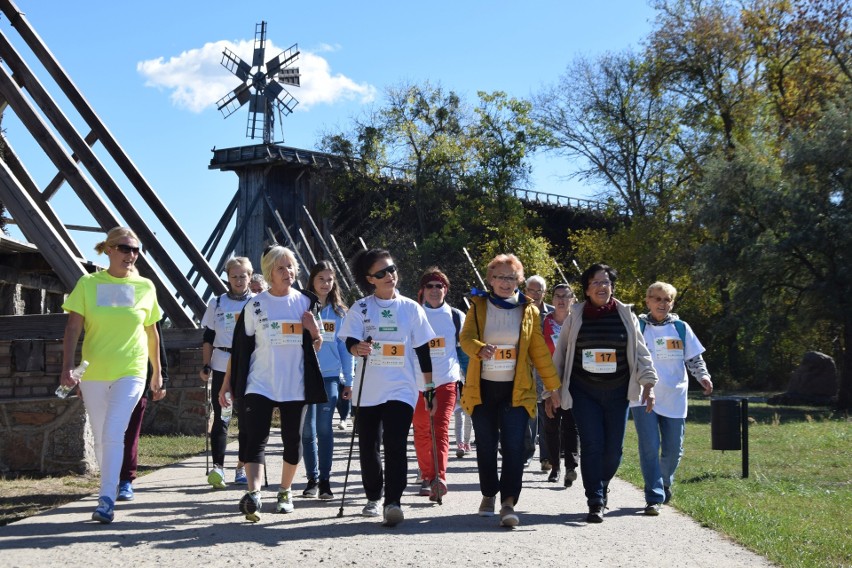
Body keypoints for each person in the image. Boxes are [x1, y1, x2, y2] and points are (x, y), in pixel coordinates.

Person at [59, 226, 163, 523]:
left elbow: (152, 333)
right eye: (126, 248)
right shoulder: (88, 283)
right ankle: (111, 485)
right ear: (109, 250)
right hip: (93, 372)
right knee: (101, 434)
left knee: (114, 431)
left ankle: (106, 498)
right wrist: (68, 366)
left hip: (131, 369)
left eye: (136, 250)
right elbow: (73, 328)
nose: (132, 254)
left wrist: (157, 373)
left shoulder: (145, 286)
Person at [220, 245, 325, 522]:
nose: (288, 272)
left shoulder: (305, 302)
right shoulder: (255, 305)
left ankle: (284, 491)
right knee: (255, 439)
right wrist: (227, 384)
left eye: (290, 266)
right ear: (269, 272)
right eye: (281, 267)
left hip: (295, 384)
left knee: (292, 441)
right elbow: (239, 348)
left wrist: (314, 330)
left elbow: (317, 344)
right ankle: (254, 494)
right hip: (260, 383)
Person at [460, 254, 561, 528]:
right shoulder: (478, 306)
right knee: (486, 445)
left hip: (517, 391)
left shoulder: (529, 310)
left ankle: (508, 502)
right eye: (500, 277)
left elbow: (539, 351)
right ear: (490, 279)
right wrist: (480, 348)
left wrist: (553, 387)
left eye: (512, 277)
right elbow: (465, 339)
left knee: (515, 446)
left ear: (519, 281)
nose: (506, 282)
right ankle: (488, 494)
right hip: (482, 390)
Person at [552, 263, 658, 524]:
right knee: (592, 444)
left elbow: (641, 353)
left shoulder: (626, 315)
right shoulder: (575, 316)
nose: (602, 287)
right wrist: (552, 390)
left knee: (614, 450)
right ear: (587, 290)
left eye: (606, 282)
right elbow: (561, 354)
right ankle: (595, 500)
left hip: (618, 392)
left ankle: (601, 482)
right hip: (583, 391)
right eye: (596, 282)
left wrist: (649, 383)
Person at [339, 248, 436, 527]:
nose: (389, 276)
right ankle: (373, 496)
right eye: (381, 273)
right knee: (368, 446)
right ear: (370, 279)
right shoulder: (361, 307)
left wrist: (428, 388)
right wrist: (358, 348)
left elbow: (422, 349)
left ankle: (393, 501)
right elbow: (350, 343)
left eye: (391, 269)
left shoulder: (411, 308)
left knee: (395, 444)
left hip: (401, 388)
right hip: (368, 387)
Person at [632, 281, 712, 515]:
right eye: (657, 298)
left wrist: (703, 377)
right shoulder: (638, 326)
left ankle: (664, 482)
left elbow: (694, 359)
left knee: (673, 449)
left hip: (675, 396)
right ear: (647, 300)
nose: (662, 303)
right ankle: (653, 496)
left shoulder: (680, 327)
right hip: (643, 396)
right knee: (649, 447)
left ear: (672, 303)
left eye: (667, 299)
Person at [300, 260, 355, 501]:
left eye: (330, 279)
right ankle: (311, 479)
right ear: (312, 280)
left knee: (324, 428)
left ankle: (325, 481)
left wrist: (349, 381)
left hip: (330, 377)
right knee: (306, 431)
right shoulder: (300, 307)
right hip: (303, 376)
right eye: (321, 279)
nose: (325, 283)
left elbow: (345, 349)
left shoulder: (341, 312)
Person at [199, 257, 255, 489]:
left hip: (247, 366)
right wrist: (206, 364)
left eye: (243, 276)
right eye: (234, 276)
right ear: (227, 278)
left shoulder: (257, 302)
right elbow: (208, 336)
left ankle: (241, 467)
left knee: (246, 421)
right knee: (222, 419)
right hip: (222, 364)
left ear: (250, 277)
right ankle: (218, 468)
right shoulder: (217, 302)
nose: (239, 280)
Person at [413, 267, 465, 501]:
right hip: (417, 383)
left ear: (445, 290)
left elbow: (464, 353)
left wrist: (471, 380)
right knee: (423, 430)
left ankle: (439, 478)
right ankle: (427, 475)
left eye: (439, 286)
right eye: (430, 286)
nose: (435, 290)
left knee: (441, 428)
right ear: (422, 290)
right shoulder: (413, 313)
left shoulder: (456, 316)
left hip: (446, 381)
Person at [117, 321, 168, 501]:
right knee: (108, 434)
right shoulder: (101, 299)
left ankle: (126, 480)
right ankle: (109, 479)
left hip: (137, 377)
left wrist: (163, 376)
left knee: (131, 432)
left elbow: (156, 340)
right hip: (104, 376)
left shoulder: (143, 299)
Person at [539, 284, 581, 486]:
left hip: (574, 382)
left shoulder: (577, 322)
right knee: (551, 425)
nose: (561, 300)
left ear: (573, 299)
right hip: (549, 381)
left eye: (566, 296)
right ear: (552, 299)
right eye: (557, 296)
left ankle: (571, 467)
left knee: (571, 425)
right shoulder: (544, 323)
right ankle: (555, 467)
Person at [524, 275, 553, 471]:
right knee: (529, 414)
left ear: (544, 292)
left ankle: (547, 457)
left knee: (547, 413)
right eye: (532, 290)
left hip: (547, 370)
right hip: (525, 369)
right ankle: (527, 453)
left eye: (539, 290)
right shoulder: (519, 310)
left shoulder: (552, 313)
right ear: (525, 291)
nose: (535, 294)